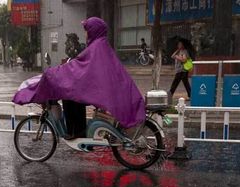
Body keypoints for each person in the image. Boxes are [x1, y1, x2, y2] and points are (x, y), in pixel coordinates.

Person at [13, 17, 145, 137]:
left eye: (87, 30)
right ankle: (78, 130)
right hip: (101, 89)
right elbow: (79, 65)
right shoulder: (100, 45)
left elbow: (79, 68)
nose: (85, 33)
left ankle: (75, 131)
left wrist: (56, 73)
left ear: (94, 30)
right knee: (72, 94)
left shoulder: (97, 47)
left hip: (99, 91)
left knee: (70, 95)